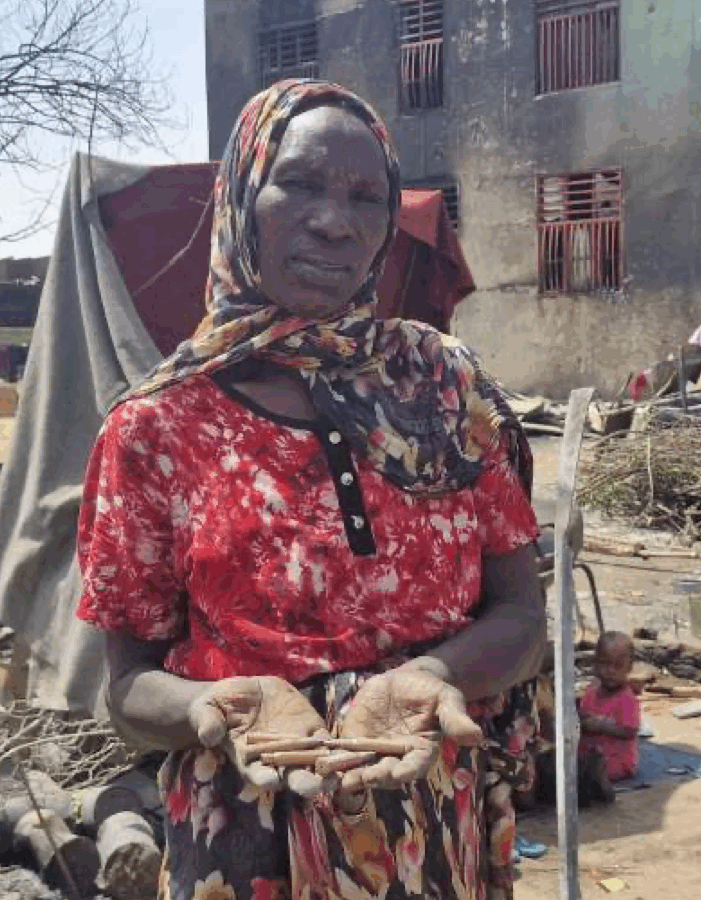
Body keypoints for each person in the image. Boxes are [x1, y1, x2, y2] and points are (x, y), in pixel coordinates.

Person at [76, 79, 547, 900]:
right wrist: (214, 706)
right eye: (298, 183)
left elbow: (520, 618)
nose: (335, 221)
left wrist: (433, 676)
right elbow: (128, 687)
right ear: (239, 195)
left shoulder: (442, 385)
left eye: (367, 197)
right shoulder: (155, 427)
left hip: (429, 819)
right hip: (244, 834)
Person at [535, 631, 640, 808]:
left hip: (615, 760)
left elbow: (629, 730)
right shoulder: (592, 690)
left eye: (618, 666)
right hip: (586, 753)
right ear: (595, 663)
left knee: (586, 771)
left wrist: (600, 725)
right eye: (605, 665)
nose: (610, 672)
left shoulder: (627, 698)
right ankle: (589, 780)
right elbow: (582, 714)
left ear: (629, 668)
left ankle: (599, 782)